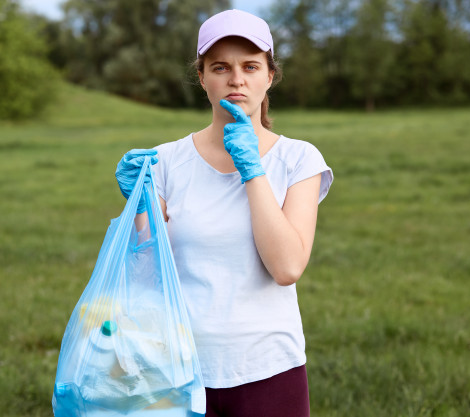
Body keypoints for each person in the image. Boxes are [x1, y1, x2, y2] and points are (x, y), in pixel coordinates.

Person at [115, 9, 333, 417]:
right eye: (221, 67)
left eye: (251, 66)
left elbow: (286, 267)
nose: (236, 79)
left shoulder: (298, 159)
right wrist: (137, 206)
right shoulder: (165, 160)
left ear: (269, 76)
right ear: (202, 78)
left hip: (269, 369)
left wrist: (253, 170)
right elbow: (142, 270)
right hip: (175, 367)